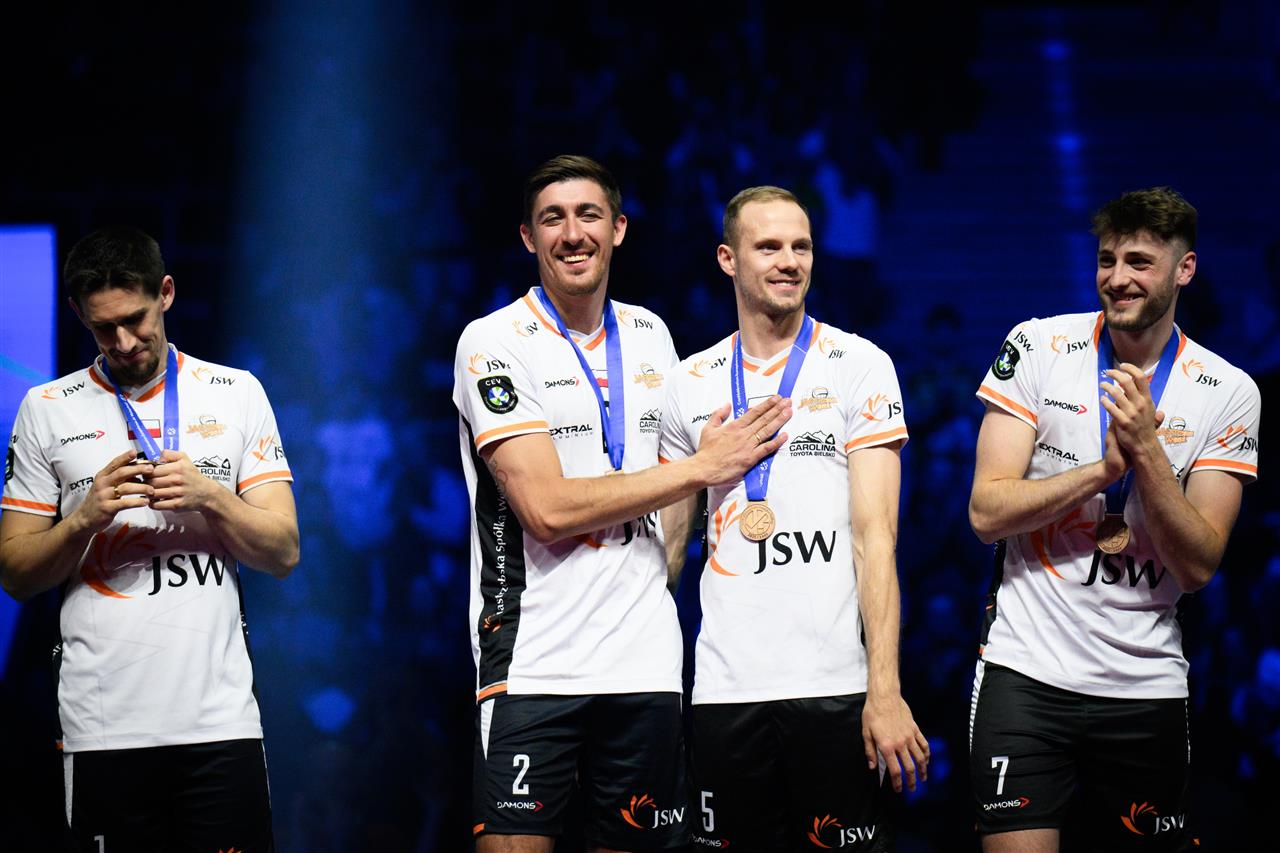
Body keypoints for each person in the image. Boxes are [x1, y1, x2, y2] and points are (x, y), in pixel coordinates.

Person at [452, 155, 791, 852]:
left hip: (646, 662)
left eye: (589, 215)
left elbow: (672, 480)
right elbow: (545, 510)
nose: (573, 234)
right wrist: (701, 468)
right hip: (534, 659)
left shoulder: (649, 334)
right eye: (553, 219)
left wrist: (662, 576)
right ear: (528, 237)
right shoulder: (492, 341)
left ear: (618, 229)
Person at [967, 187, 1261, 851]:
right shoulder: (1038, 346)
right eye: (1107, 259)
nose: (1118, 278)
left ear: (1184, 270)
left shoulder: (1229, 390)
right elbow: (986, 512)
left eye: (1139, 262)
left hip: (1145, 684)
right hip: (1025, 674)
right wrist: (1102, 471)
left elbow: (1199, 565)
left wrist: (1147, 453)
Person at [0, 226, 298, 851]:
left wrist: (209, 496)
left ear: (165, 293)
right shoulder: (46, 407)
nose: (124, 342)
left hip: (220, 724)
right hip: (103, 727)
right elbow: (16, 574)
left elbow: (283, 551)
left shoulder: (237, 392)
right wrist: (83, 519)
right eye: (103, 328)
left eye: (134, 320)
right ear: (78, 314)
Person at [659, 185, 929, 852]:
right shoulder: (688, 382)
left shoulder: (860, 366)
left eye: (801, 246)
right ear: (728, 259)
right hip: (723, 692)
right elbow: (667, 556)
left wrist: (884, 689)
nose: (789, 261)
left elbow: (876, 540)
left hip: (834, 688)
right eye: (769, 247)